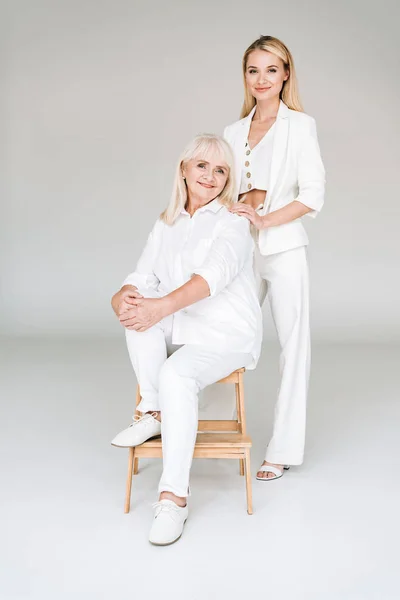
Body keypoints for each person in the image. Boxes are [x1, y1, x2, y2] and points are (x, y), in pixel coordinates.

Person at [111, 134, 262, 545]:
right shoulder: (167, 222)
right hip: (185, 325)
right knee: (136, 311)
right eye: (201, 166)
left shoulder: (232, 221)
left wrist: (159, 308)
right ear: (183, 169)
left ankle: (173, 496)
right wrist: (121, 297)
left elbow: (212, 277)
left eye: (220, 170)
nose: (210, 177)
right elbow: (142, 278)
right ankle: (154, 411)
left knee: (176, 373)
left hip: (227, 333)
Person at [223, 35, 325, 481]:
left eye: (270, 69)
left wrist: (266, 220)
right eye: (252, 70)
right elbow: (224, 191)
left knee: (292, 347)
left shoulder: (300, 126)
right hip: (242, 250)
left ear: (285, 74)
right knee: (225, 335)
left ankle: (281, 450)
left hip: (284, 249)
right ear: (245, 77)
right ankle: (207, 427)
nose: (261, 79)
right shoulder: (232, 131)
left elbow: (313, 195)